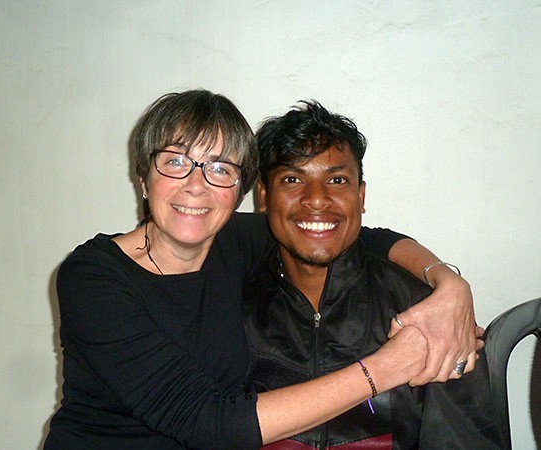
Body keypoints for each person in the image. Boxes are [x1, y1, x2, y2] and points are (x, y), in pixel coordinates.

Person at [44, 89, 475, 449]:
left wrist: (449, 285)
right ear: (143, 178)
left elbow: (349, 232)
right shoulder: (94, 277)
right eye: (175, 161)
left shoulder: (230, 242)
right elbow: (212, 425)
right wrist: (388, 367)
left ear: (240, 192)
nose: (196, 186)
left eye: (220, 168)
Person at [243, 100, 500, 449]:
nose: (316, 199)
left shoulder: (427, 315)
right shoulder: (229, 303)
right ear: (263, 196)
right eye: (292, 179)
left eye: (337, 180)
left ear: (360, 196)